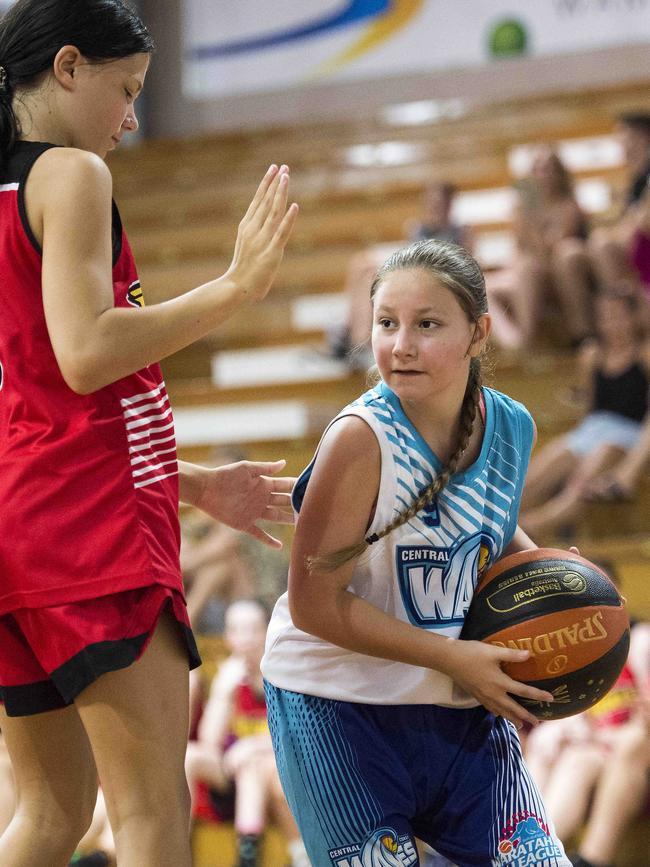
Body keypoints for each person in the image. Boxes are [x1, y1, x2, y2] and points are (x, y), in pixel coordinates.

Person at [0, 3, 298, 867]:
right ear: (67, 67)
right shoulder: (71, 175)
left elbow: (45, 412)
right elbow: (90, 354)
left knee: (53, 816)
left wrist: (193, 481)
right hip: (95, 537)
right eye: (125, 89)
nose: (132, 118)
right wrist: (236, 287)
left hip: (26, 528)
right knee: (152, 816)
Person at [262, 238, 572, 866]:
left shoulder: (511, 425)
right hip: (335, 706)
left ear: (478, 333)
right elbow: (312, 605)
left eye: (427, 324)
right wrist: (454, 656)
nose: (400, 345)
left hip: (448, 700)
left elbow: (495, 532)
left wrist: (559, 597)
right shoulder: (361, 439)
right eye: (386, 323)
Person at [185, 600, 309, 867]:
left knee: (254, 765)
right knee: (189, 757)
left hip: (272, 774)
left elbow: (300, 736)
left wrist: (254, 746)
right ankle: (176, 849)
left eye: (253, 629)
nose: (246, 639)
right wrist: (221, 693)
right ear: (228, 637)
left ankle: (249, 857)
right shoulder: (227, 678)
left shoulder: (283, 674)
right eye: (237, 631)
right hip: (229, 774)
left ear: (268, 631)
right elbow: (209, 743)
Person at [520, 288, 650, 539]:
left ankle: (535, 525)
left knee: (596, 462)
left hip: (629, 432)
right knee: (552, 459)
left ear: (635, 318)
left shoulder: (644, 354)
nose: (612, 324)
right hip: (594, 428)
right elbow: (590, 410)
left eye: (619, 316)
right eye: (606, 317)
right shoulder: (592, 355)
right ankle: (505, 520)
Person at [328, 181, 471, 369]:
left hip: (438, 285)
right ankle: (353, 337)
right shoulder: (418, 229)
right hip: (416, 278)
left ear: (449, 204)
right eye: (429, 203)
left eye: (437, 203)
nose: (432, 208)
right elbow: (408, 260)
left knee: (371, 272)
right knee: (362, 266)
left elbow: (468, 270)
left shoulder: (460, 232)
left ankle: (352, 339)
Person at [486, 145, 588, 350]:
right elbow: (519, 250)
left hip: (552, 276)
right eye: (537, 169)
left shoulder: (569, 207)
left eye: (548, 168)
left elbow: (550, 249)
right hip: (528, 272)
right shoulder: (523, 211)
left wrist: (528, 220)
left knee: (527, 270)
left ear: (559, 174)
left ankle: (527, 340)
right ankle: (514, 343)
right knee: (482, 287)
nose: (542, 174)